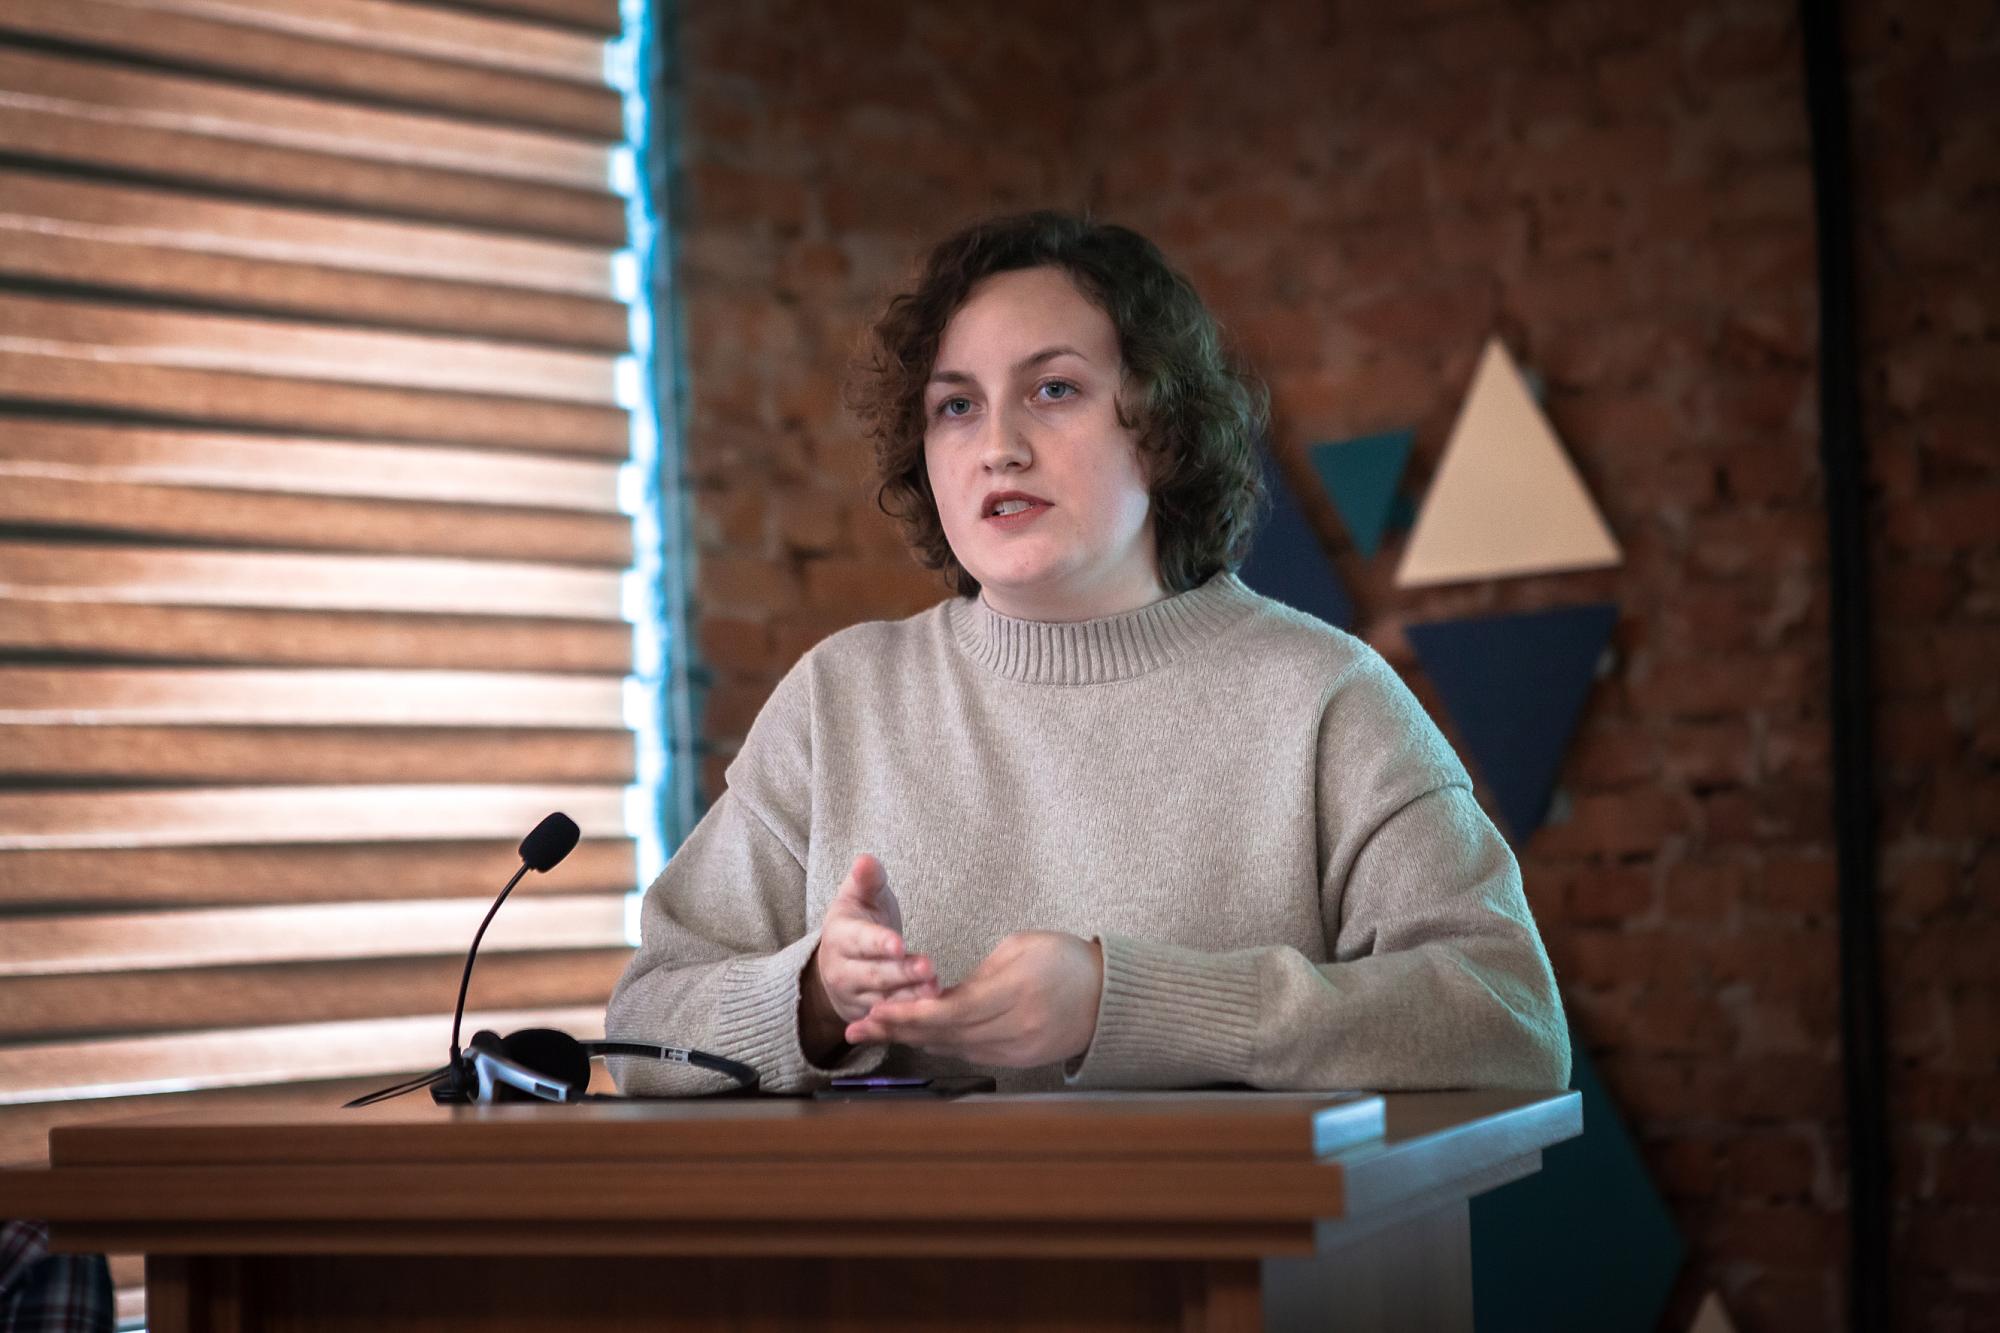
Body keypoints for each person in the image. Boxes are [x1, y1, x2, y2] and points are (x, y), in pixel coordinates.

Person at [606, 211, 1569, 1096]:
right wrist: (813, 997)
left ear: (1162, 428)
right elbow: (642, 1026)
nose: (999, 445)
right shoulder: (839, 698)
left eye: (1054, 390)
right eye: (956, 406)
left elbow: (1509, 1019)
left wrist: (1126, 1001)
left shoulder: (1326, 694)